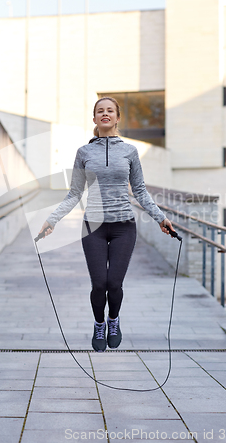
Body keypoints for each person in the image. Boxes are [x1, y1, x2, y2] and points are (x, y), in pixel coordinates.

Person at [38, 97, 174, 352]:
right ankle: (99, 323)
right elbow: (74, 193)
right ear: (94, 119)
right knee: (99, 284)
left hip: (124, 227)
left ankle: (114, 320)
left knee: (114, 284)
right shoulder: (84, 152)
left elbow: (141, 191)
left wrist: (161, 218)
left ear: (117, 117)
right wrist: (51, 220)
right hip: (94, 227)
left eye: (110, 110)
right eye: (100, 111)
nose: (105, 114)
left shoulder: (130, 151)